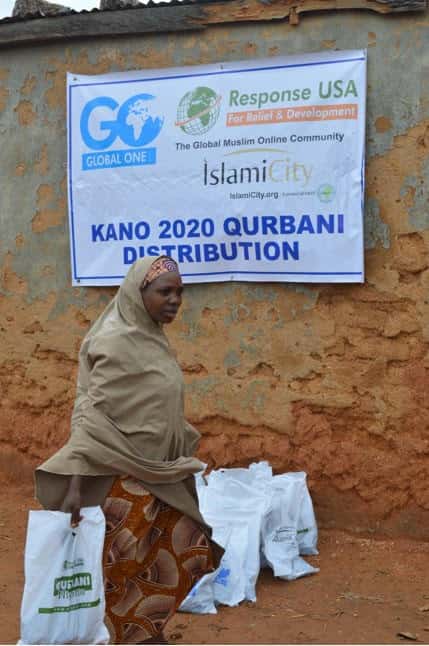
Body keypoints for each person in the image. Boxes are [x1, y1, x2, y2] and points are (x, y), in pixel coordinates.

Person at [34, 256, 222, 644]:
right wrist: (74, 485)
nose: (175, 300)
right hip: (122, 477)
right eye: (165, 291)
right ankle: (123, 634)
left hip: (161, 472)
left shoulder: (151, 337)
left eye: (180, 292)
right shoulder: (114, 341)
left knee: (187, 546)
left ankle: (145, 628)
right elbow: (89, 413)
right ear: (139, 293)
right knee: (124, 564)